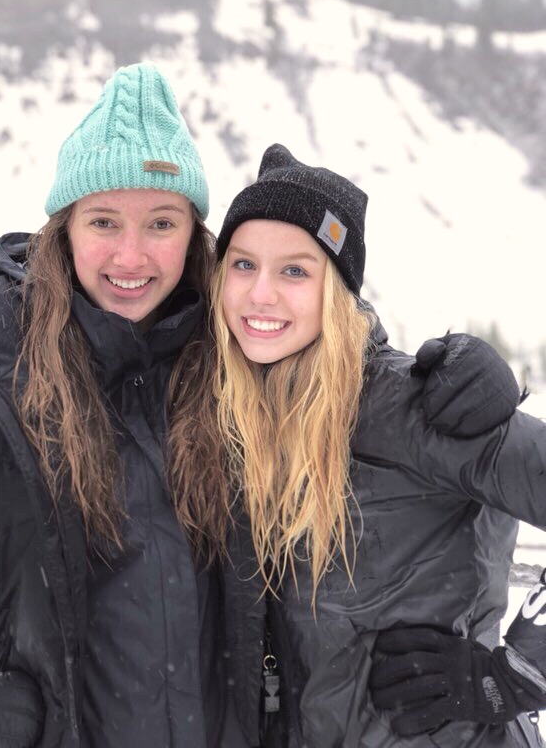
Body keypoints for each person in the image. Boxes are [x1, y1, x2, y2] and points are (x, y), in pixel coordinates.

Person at [167, 142, 546, 747]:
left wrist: (517, 674)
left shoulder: (412, 406)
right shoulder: (225, 413)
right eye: (242, 265)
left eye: (295, 269)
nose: (261, 293)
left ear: (338, 292)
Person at [0, 62, 227, 747]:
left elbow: (336, 344)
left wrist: (455, 385)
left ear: (194, 235)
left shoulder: (243, 356)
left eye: (161, 222)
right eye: (105, 221)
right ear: (64, 229)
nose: (131, 255)